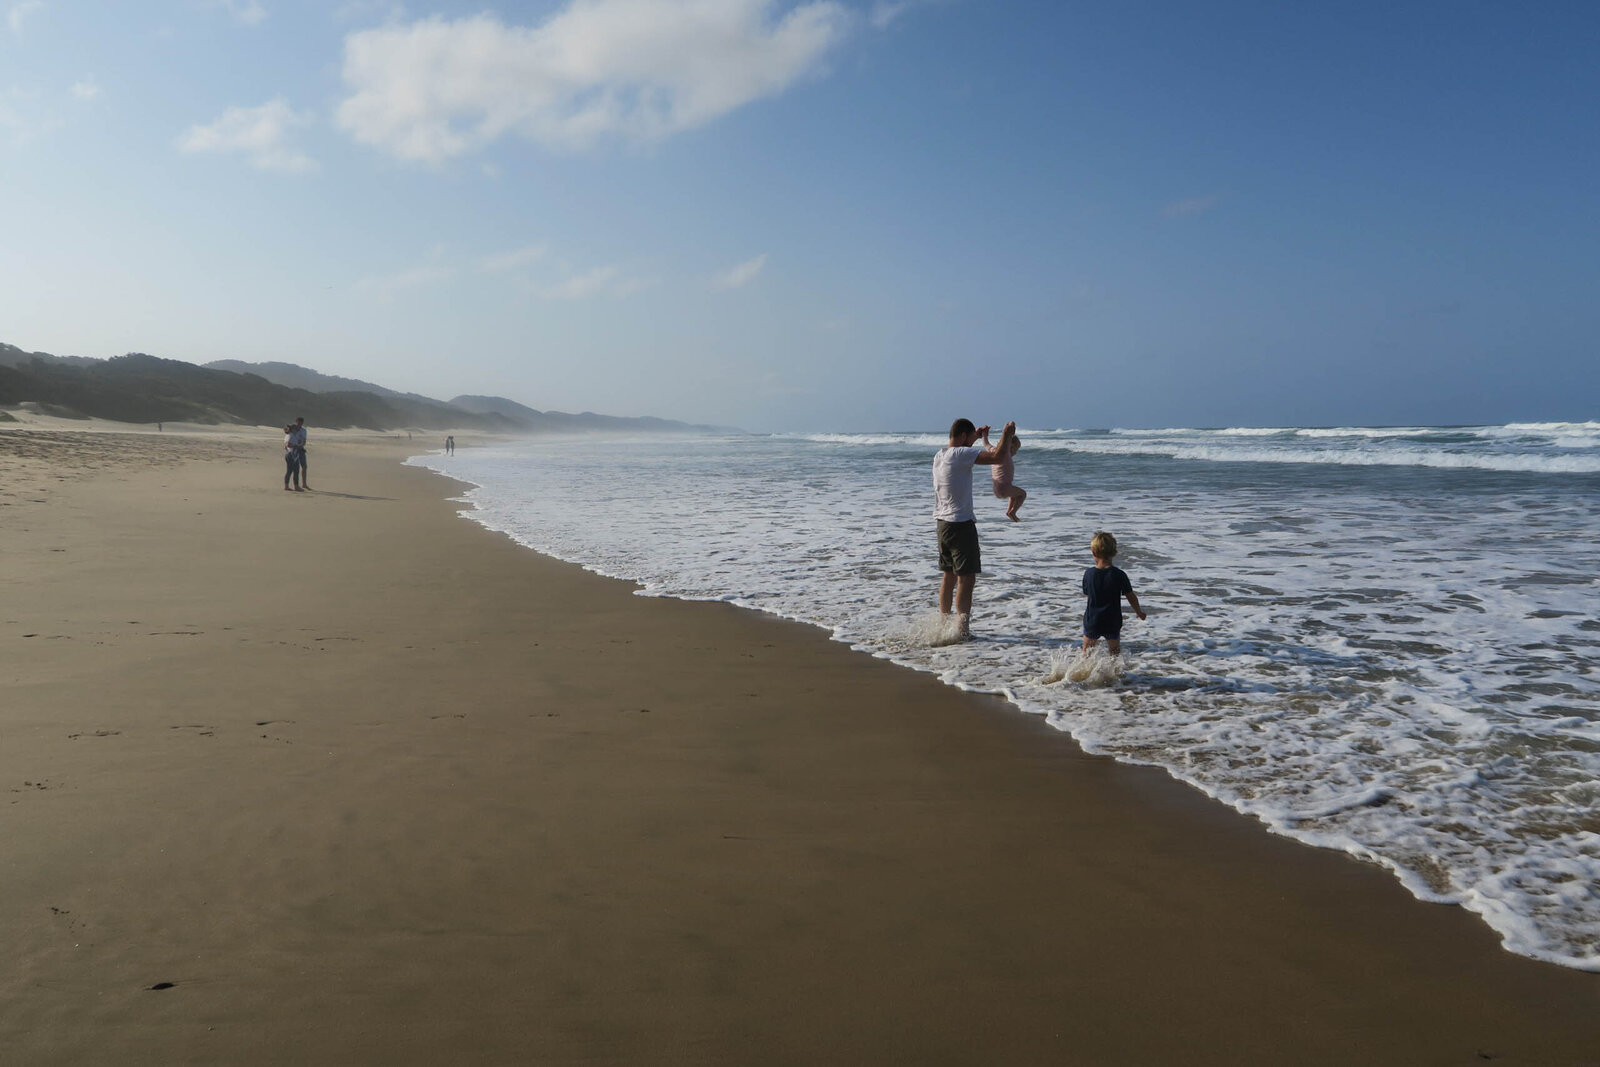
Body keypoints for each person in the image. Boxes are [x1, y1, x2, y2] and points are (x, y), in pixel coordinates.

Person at [933, 417, 1016, 637]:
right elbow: (998, 457)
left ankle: (943, 622)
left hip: (942, 524)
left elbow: (965, 449)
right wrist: (1007, 434)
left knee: (948, 576)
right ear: (962, 437)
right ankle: (962, 630)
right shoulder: (961, 454)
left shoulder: (940, 455)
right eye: (970, 438)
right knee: (966, 579)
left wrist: (977, 437)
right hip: (960, 524)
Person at [1081, 531, 1145, 656]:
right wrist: (1139, 612)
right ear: (1114, 552)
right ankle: (1114, 673)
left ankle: (1082, 673)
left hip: (1093, 620)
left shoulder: (1089, 574)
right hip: (1112, 620)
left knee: (1087, 652)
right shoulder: (1119, 574)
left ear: (1093, 553)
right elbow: (1131, 596)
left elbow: (1087, 592)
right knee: (1114, 652)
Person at [984, 429, 1026, 521]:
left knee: (1014, 495)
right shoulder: (1005, 453)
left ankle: (1009, 512)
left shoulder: (993, 451)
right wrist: (1009, 433)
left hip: (997, 489)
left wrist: (984, 435)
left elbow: (986, 444)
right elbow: (1006, 444)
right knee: (1022, 494)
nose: (1016, 453)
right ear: (1011, 447)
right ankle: (1013, 512)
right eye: (1016, 449)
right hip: (1004, 488)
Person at [289, 417, 310, 490]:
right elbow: (286, 432)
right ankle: (294, 485)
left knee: (304, 466)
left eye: (301, 423)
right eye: (298, 423)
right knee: (295, 468)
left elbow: (304, 440)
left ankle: (304, 484)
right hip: (293, 450)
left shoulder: (303, 430)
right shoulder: (292, 428)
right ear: (296, 422)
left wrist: (302, 445)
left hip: (300, 449)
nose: (300, 424)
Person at [282, 423, 302, 491]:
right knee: (295, 471)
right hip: (292, 455)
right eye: (295, 429)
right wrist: (295, 446)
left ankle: (287, 486)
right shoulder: (290, 435)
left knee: (290, 471)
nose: (297, 430)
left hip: (290, 454)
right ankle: (296, 486)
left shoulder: (291, 435)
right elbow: (287, 444)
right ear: (292, 429)